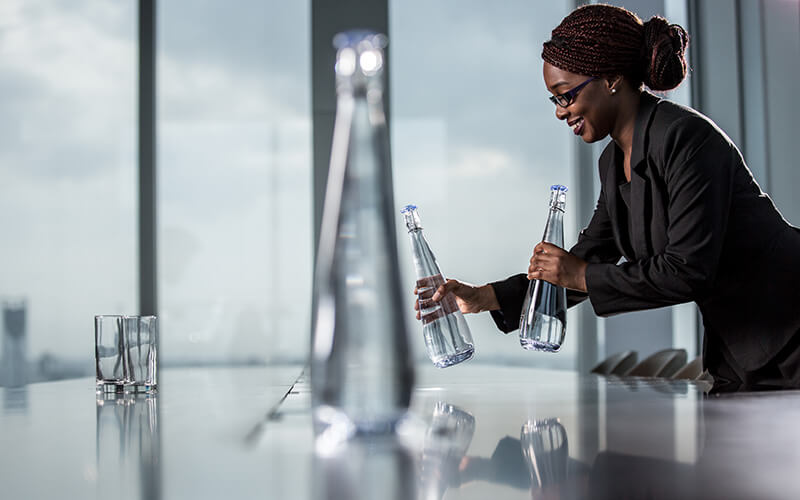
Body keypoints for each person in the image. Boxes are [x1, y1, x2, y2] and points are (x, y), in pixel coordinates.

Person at [417, 4, 800, 392]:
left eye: (565, 95)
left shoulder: (688, 138)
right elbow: (588, 260)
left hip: (791, 335)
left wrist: (579, 273)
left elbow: (688, 271)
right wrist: (484, 297)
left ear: (613, 79)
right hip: (741, 352)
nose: (560, 112)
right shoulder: (613, 162)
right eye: (554, 100)